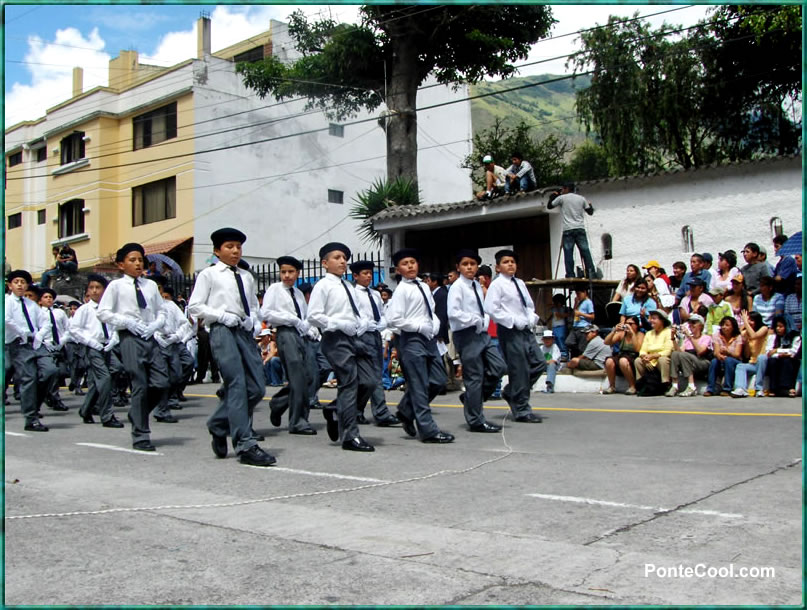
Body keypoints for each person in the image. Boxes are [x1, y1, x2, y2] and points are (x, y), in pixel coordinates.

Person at [187, 229, 276, 466]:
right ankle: (244, 444)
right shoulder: (209, 274)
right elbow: (194, 306)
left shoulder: (246, 276)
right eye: (229, 246)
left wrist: (254, 323)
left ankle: (218, 423)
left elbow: (253, 307)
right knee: (236, 384)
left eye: (238, 246)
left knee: (257, 387)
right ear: (217, 251)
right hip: (222, 331)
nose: (235, 251)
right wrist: (220, 316)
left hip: (244, 331)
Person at [97, 243, 172, 452]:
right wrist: (126, 322)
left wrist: (156, 325)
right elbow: (103, 312)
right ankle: (141, 435)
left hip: (150, 336)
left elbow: (162, 310)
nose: (138, 263)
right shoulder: (116, 287)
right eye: (132, 260)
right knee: (139, 385)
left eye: (140, 259)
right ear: (121, 264)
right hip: (130, 337)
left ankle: (137, 412)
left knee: (161, 383)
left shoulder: (149, 286)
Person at [307, 242, 377, 451]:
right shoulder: (323, 285)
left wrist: (362, 322)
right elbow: (313, 316)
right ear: (325, 263)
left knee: (370, 381)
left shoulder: (348, 286)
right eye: (337, 258)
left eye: (344, 258)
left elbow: (358, 311)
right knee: (350, 383)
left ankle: (336, 409)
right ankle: (350, 435)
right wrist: (338, 323)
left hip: (355, 337)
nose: (342, 261)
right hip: (336, 339)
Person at [384, 248, 455, 442]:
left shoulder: (423, 286)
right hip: (412, 339)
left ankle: (406, 410)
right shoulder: (401, 291)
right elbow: (393, 320)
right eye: (405, 263)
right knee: (419, 385)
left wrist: (434, 325)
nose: (410, 266)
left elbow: (430, 310)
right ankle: (428, 430)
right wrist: (418, 326)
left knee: (438, 380)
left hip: (428, 337)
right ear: (398, 269)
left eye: (413, 262)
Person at [483, 248, 545, 423]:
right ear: (497, 267)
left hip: (525, 329)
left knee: (539, 363)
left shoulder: (519, 283)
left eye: (513, 262)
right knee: (520, 369)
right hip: (510, 329)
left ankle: (512, 391)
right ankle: (522, 409)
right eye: (505, 262)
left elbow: (529, 305)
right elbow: (491, 309)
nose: (510, 264)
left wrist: (531, 317)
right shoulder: (497, 284)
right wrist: (512, 320)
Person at [447, 249, 506, 431]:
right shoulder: (457, 287)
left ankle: (473, 399)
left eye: (472, 264)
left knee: (499, 367)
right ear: (458, 267)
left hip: (482, 333)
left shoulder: (476, 286)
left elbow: (484, 308)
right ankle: (476, 420)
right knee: (474, 377)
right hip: (467, 334)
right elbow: (453, 313)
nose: (469, 267)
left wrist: (484, 321)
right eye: (465, 264)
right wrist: (474, 320)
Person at [260, 255, 316, 436]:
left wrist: (309, 327)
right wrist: (290, 319)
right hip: (285, 333)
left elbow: (305, 316)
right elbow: (266, 313)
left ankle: (279, 403)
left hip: (301, 335)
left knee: (309, 376)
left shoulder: (298, 293)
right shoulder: (275, 289)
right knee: (298, 376)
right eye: (283, 272)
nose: (286, 276)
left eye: (291, 272)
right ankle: (298, 421)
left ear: (298, 273)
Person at [5, 269, 59, 432]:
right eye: (16, 282)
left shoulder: (32, 305)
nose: (20, 285)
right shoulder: (7, 302)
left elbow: (45, 323)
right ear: (10, 285)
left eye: (23, 282)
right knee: (29, 377)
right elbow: (6, 319)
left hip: (35, 342)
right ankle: (31, 417)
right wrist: (22, 332)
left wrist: (39, 335)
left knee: (51, 371)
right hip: (18, 343)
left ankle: (33, 404)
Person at [70, 274, 125, 428]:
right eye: (91, 288)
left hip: (107, 346)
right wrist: (90, 341)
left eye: (98, 288)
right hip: (93, 348)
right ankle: (107, 415)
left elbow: (115, 326)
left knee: (110, 373)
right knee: (105, 379)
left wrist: (114, 339)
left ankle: (86, 409)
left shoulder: (110, 309)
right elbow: (74, 329)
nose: (94, 291)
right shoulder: (85, 309)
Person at [350, 260, 400, 427]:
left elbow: (381, 313)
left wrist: (381, 323)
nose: (368, 276)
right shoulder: (353, 293)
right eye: (365, 273)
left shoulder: (375, 294)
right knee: (368, 378)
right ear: (355, 276)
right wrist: (365, 324)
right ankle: (377, 412)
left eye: (370, 273)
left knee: (374, 376)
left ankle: (365, 411)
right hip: (361, 336)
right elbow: (354, 316)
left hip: (375, 335)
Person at [153, 283, 194, 423]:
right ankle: (162, 408)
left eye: (159, 288)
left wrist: (176, 336)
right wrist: (156, 335)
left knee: (176, 375)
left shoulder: (170, 305)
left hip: (172, 342)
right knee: (162, 378)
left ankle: (166, 400)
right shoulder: (146, 306)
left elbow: (184, 323)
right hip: (156, 344)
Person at [547, 182, 596, 279]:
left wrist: (555, 194)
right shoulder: (581, 198)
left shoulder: (562, 198)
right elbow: (590, 212)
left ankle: (570, 274)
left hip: (568, 229)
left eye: (563, 189)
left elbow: (549, 205)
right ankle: (591, 273)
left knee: (568, 253)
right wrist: (590, 205)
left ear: (566, 189)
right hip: (580, 228)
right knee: (585, 251)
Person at [37, 287, 70, 412]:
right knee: (51, 372)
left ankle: (49, 394)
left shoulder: (59, 313)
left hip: (59, 345)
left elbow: (68, 328)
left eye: (50, 297)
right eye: (45, 297)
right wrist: (44, 342)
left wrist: (62, 341)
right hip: (45, 346)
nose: (49, 299)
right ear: (40, 301)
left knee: (61, 372)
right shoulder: (38, 313)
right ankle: (54, 398)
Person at [668, 314, 713, 397]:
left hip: (702, 361)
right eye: (689, 323)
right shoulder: (687, 339)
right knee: (675, 354)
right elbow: (679, 352)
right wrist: (673, 338)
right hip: (689, 362)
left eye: (693, 323)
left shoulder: (706, 337)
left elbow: (700, 351)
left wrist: (689, 336)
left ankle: (691, 386)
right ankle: (674, 385)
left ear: (700, 325)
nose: (691, 325)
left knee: (684, 355)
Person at [635, 309, 674, 395]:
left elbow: (667, 351)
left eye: (654, 318)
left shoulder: (668, 332)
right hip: (649, 361)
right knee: (638, 360)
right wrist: (644, 357)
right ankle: (641, 385)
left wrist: (653, 356)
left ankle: (666, 384)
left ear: (662, 321)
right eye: (651, 318)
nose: (651, 320)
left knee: (663, 360)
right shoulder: (649, 333)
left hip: (661, 360)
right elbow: (643, 350)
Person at [730, 311, 769, 398]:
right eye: (748, 320)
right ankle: (740, 389)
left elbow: (754, 335)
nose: (749, 322)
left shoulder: (764, 328)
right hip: (753, 363)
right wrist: (745, 341)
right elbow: (746, 354)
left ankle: (759, 389)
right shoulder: (746, 333)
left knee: (761, 357)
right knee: (740, 366)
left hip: (763, 363)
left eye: (751, 320)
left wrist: (745, 322)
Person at [603, 316, 644, 395]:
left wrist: (632, 333)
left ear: (636, 325)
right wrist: (614, 331)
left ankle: (632, 386)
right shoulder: (621, 334)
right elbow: (606, 342)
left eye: (631, 324)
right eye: (626, 323)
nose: (628, 325)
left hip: (633, 356)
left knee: (623, 361)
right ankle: (612, 386)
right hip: (622, 354)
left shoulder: (640, 335)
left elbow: (637, 349)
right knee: (609, 361)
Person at [704, 316, 744, 397]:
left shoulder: (738, 337)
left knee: (728, 360)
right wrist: (719, 356)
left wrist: (728, 352)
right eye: (722, 325)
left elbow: (737, 354)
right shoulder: (717, 335)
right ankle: (710, 389)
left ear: (733, 327)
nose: (724, 327)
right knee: (714, 362)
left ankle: (727, 389)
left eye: (727, 325)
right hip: (721, 359)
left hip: (734, 361)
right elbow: (716, 352)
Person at [764, 315, 801, 397]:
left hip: (791, 361)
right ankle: (773, 388)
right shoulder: (773, 337)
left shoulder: (796, 337)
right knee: (772, 361)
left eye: (781, 326)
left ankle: (786, 388)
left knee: (787, 361)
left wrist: (777, 350)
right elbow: (769, 352)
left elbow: (793, 352)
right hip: (777, 359)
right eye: (777, 326)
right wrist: (780, 354)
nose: (778, 329)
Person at [566, 286, 595, 357]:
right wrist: (575, 303)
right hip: (575, 326)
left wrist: (581, 314)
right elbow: (574, 312)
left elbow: (592, 316)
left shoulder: (588, 302)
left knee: (582, 347)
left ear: (584, 292)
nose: (578, 296)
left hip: (583, 326)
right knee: (569, 342)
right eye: (576, 294)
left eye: (579, 294)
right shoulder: (579, 302)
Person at [548, 292, 571, 359]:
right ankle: (557, 354)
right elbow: (549, 307)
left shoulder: (564, 309)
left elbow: (567, 314)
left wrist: (561, 313)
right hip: (555, 326)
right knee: (555, 340)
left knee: (561, 339)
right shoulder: (554, 308)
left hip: (561, 326)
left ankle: (564, 354)